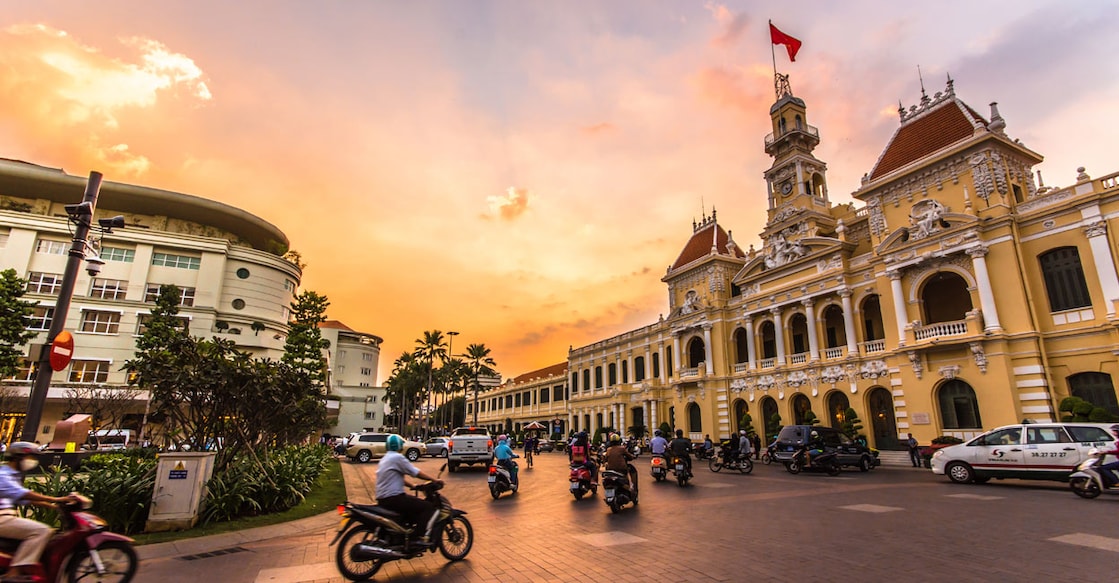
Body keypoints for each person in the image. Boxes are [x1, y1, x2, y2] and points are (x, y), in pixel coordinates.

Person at [0, 442, 79, 581]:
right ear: (18, 458)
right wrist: (57, 499)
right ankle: (15, 572)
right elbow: (24, 494)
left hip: (6, 517)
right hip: (3, 519)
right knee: (42, 531)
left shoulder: (13, 475)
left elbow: (23, 500)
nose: (32, 461)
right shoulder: (3, 475)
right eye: (29, 457)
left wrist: (53, 506)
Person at [375, 435, 443, 545]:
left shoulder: (385, 459)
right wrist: (434, 480)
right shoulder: (397, 458)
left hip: (383, 498)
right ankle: (416, 537)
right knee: (428, 507)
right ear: (399, 446)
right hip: (395, 498)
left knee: (412, 507)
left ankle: (405, 535)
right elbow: (416, 472)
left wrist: (412, 485)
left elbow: (395, 477)